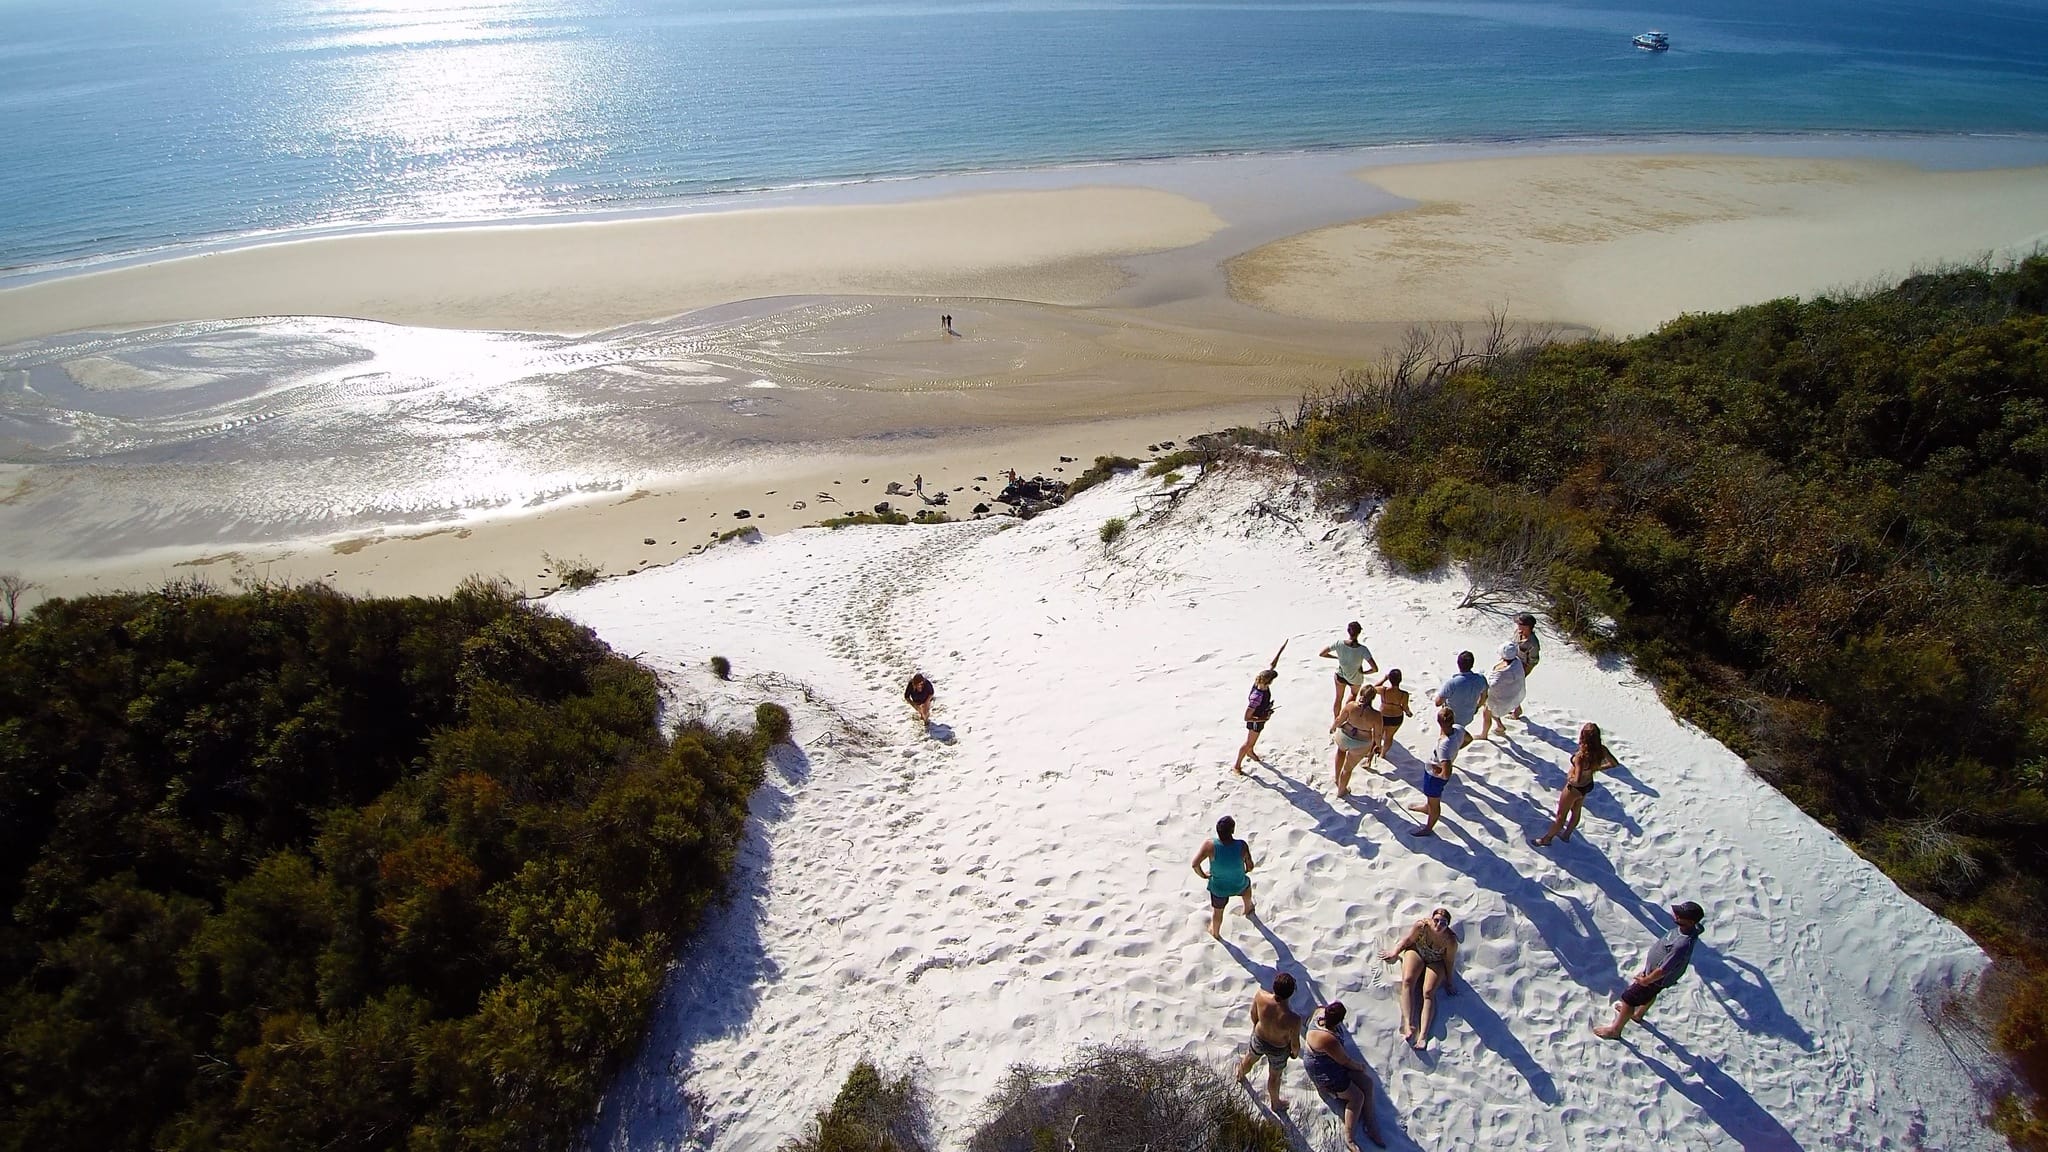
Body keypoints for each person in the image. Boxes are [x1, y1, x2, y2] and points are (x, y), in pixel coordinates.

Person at [1596, 902, 1705, 1040]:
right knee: (1651, 994)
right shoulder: (1693, 929)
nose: (1675, 915)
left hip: (1656, 978)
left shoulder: (1681, 944)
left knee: (1628, 999)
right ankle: (1638, 1015)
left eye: (1680, 915)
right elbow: (1700, 928)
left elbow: (1664, 969)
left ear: (1689, 921)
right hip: (1653, 974)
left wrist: (1646, 980)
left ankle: (1615, 1030)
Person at [1302, 1002, 1386, 1149]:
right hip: (1323, 1071)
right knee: (1357, 1098)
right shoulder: (1329, 1039)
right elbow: (1345, 1061)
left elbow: (1317, 1009)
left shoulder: (1319, 1013)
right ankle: (1350, 1137)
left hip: (1331, 1063)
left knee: (1367, 1083)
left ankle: (1370, 1123)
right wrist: (1359, 1066)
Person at [1380, 908, 1459, 1048]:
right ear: (1431, 919)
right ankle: (1408, 1024)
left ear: (1447, 925)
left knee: (1428, 992)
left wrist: (1449, 981)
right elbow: (1408, 940)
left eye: (1443, 923)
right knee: (1408, 981)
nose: (1438, 925)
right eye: (1436, 920)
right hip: (1417, 951)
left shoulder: (1450, 940)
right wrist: (1394, 952)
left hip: (1436, 960)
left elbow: (1449, 961)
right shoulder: (1421, 926)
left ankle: (1423, 1035)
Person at [1531, 722, 1619, 847]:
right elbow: (1614, 763)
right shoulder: (1601, 750)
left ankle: (1546, 839)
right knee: (1576, 811)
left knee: (1561, 817)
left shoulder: (1581, 756)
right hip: (1587, 785)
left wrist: (1570, 779)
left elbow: (1577, 778)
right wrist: (1596, 768)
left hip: (1575, 787)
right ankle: (1566, 835)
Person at [1233, 972, 1303, 1113]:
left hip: (1259, 1037)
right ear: (1290, 994)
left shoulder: (1261, 996)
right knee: (1274, 1076)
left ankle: (1240, 1074)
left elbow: (1253, 1014)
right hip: (1279, 1048)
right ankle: (1275, 1103)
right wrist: (1295, 1053)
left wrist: (1256, 1027)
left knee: (1249, 1059)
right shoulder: (1293, 1018)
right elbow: (1294, 1043)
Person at [1193, 815, 1256, 938]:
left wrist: (1203, 875)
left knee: (1217, 913)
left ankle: (1215, 932)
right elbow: (1250, 866)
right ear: (1233, 830)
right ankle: (1248, 908)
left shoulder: (1209, 845)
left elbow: (1195, 864)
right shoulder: (1242, 845)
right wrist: (1244, 871)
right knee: (1247, 888)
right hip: (1238, 883)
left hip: (1219, 888)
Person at [1407, 706, 1463, 837]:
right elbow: (1468, 738)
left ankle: (1428, 827)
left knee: (1434, 802)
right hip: (1431, 772)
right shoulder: (1459, 729)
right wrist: (1456, 749)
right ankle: (1427, 808)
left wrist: (1438, 773)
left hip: (1435, 778)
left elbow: (1446, 773)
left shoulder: (1444, 745)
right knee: (1430, 798)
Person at [1329, 689, 1383, 797]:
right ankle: (1341, 791)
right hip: (1361, 743)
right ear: (1373, 698)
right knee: (1348, 769)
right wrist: (1378, 746)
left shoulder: (1351, 706)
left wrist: (1333, 727)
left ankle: (1336, 778)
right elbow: (1377, 735)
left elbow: (1339, 719)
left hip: (1344, 735)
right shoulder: (1376, 716)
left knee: (1340, 752)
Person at [1319, 622, 1379, 720]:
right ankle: (1345, 717)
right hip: (1355, 679)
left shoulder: (1339, 643)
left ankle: (1336, 719)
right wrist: (1364, 672)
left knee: (1338, 698)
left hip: (1340, 676)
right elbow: (1375, 669)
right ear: (1359, 633)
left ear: (1348, 631)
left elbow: (1322, 653)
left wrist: (1336, 658)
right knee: (1353, 696)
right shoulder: (1363, 650)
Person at [1432, 651, 1487, 754]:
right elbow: (1484, 696)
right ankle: (1452, 749)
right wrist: (1477, 707)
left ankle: (1443, 755)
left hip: (1449, 718)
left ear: (1458, 664)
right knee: (1458, 735)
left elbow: (1438, 702)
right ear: (1472, 664)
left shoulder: (1452, 683)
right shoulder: (1481, 679)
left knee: (1444, 739)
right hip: (1467, 717)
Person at [1476, 641, 1526, 741]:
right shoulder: (1517, 662)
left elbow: (1491, 685)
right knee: (1491, 707)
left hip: (1502, 697)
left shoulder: (1501, 673)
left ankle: (1484, 734)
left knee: (1487, 711)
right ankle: (1502, 723)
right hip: (1513, 692)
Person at [1233, 668, 1278, 774]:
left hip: (1260, 718)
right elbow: (1247, 717)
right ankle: (1237, 765)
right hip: (1255, 722)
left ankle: (1250, 752)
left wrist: (1280, 651)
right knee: (1248, 743)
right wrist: (1264, 718)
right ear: (1269, 681)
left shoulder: (1260, 682)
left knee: (1252, 742)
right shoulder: (1257, 697)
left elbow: (1272, 665)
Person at [1372, 670, 1412, 759]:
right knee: (1389, 737)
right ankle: (1383, 754)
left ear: (1390, 679)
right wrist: (1408, 713)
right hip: (1396, 718)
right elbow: (1405, 707)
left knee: (1377, 735)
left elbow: (1373, 688)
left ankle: (1370, 757)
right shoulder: (1404, 694)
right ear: (1400, 680)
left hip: (1383, 716)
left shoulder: (1384, 690)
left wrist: (1384, 679)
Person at [1511, 614, 1541, 719]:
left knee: (1514, 688)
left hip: (1521, 668)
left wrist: (1523, 673)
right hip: (1512, 663)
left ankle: (1517, 710)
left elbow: (1533, 661)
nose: (1517, 626)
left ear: (1527, 626)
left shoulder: (1533, 643)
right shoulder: (1517, 633)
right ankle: (1516, 708)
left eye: (1520, 624)